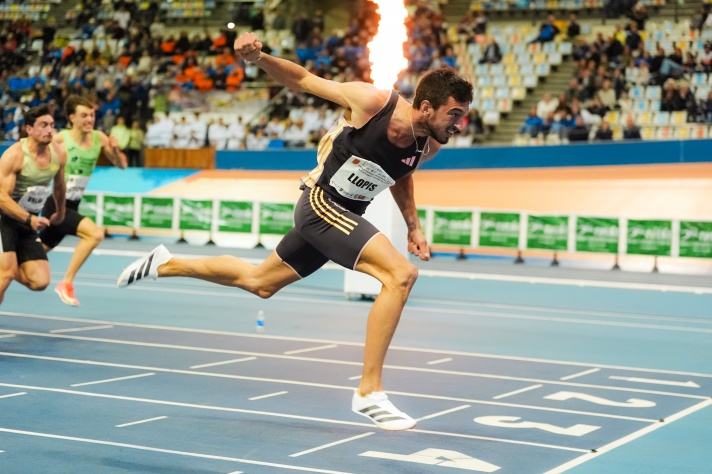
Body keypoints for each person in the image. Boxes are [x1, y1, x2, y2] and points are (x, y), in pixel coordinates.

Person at [117, 31, 473, 431]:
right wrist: (258, 58)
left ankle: (165, 263)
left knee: (259, 282)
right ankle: (369, 392)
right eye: (455, 114)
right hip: (321, 204)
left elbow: (400, 175)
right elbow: (304, 81)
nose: (459, 124)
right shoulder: (375, 103)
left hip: (342, 216)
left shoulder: (430, 145)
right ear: (426, 107)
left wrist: (414, 227)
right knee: (401, 275)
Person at [39, 95, 127, 306]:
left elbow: (122, 165)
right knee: (95, 234)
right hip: (55, 205)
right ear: (72, 118)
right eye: (84, 115)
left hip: (73, 205)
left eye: (92, 114)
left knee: (26, 259)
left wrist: (115, 150)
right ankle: (66, 283)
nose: (90, 119)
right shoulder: (60, 139)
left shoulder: (99, 138)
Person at [0, 105, 67, 304]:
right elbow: (2, 198)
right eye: (43, 125)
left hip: (28, 222)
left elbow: (60, 185)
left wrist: (61, 211)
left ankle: (7, 267)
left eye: (52, 125)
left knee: (40, 281)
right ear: (28, 129)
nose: (49, 130)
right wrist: (29, 218)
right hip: (5, 218)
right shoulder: (15, 156)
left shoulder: (58, 153)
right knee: (5, 275)